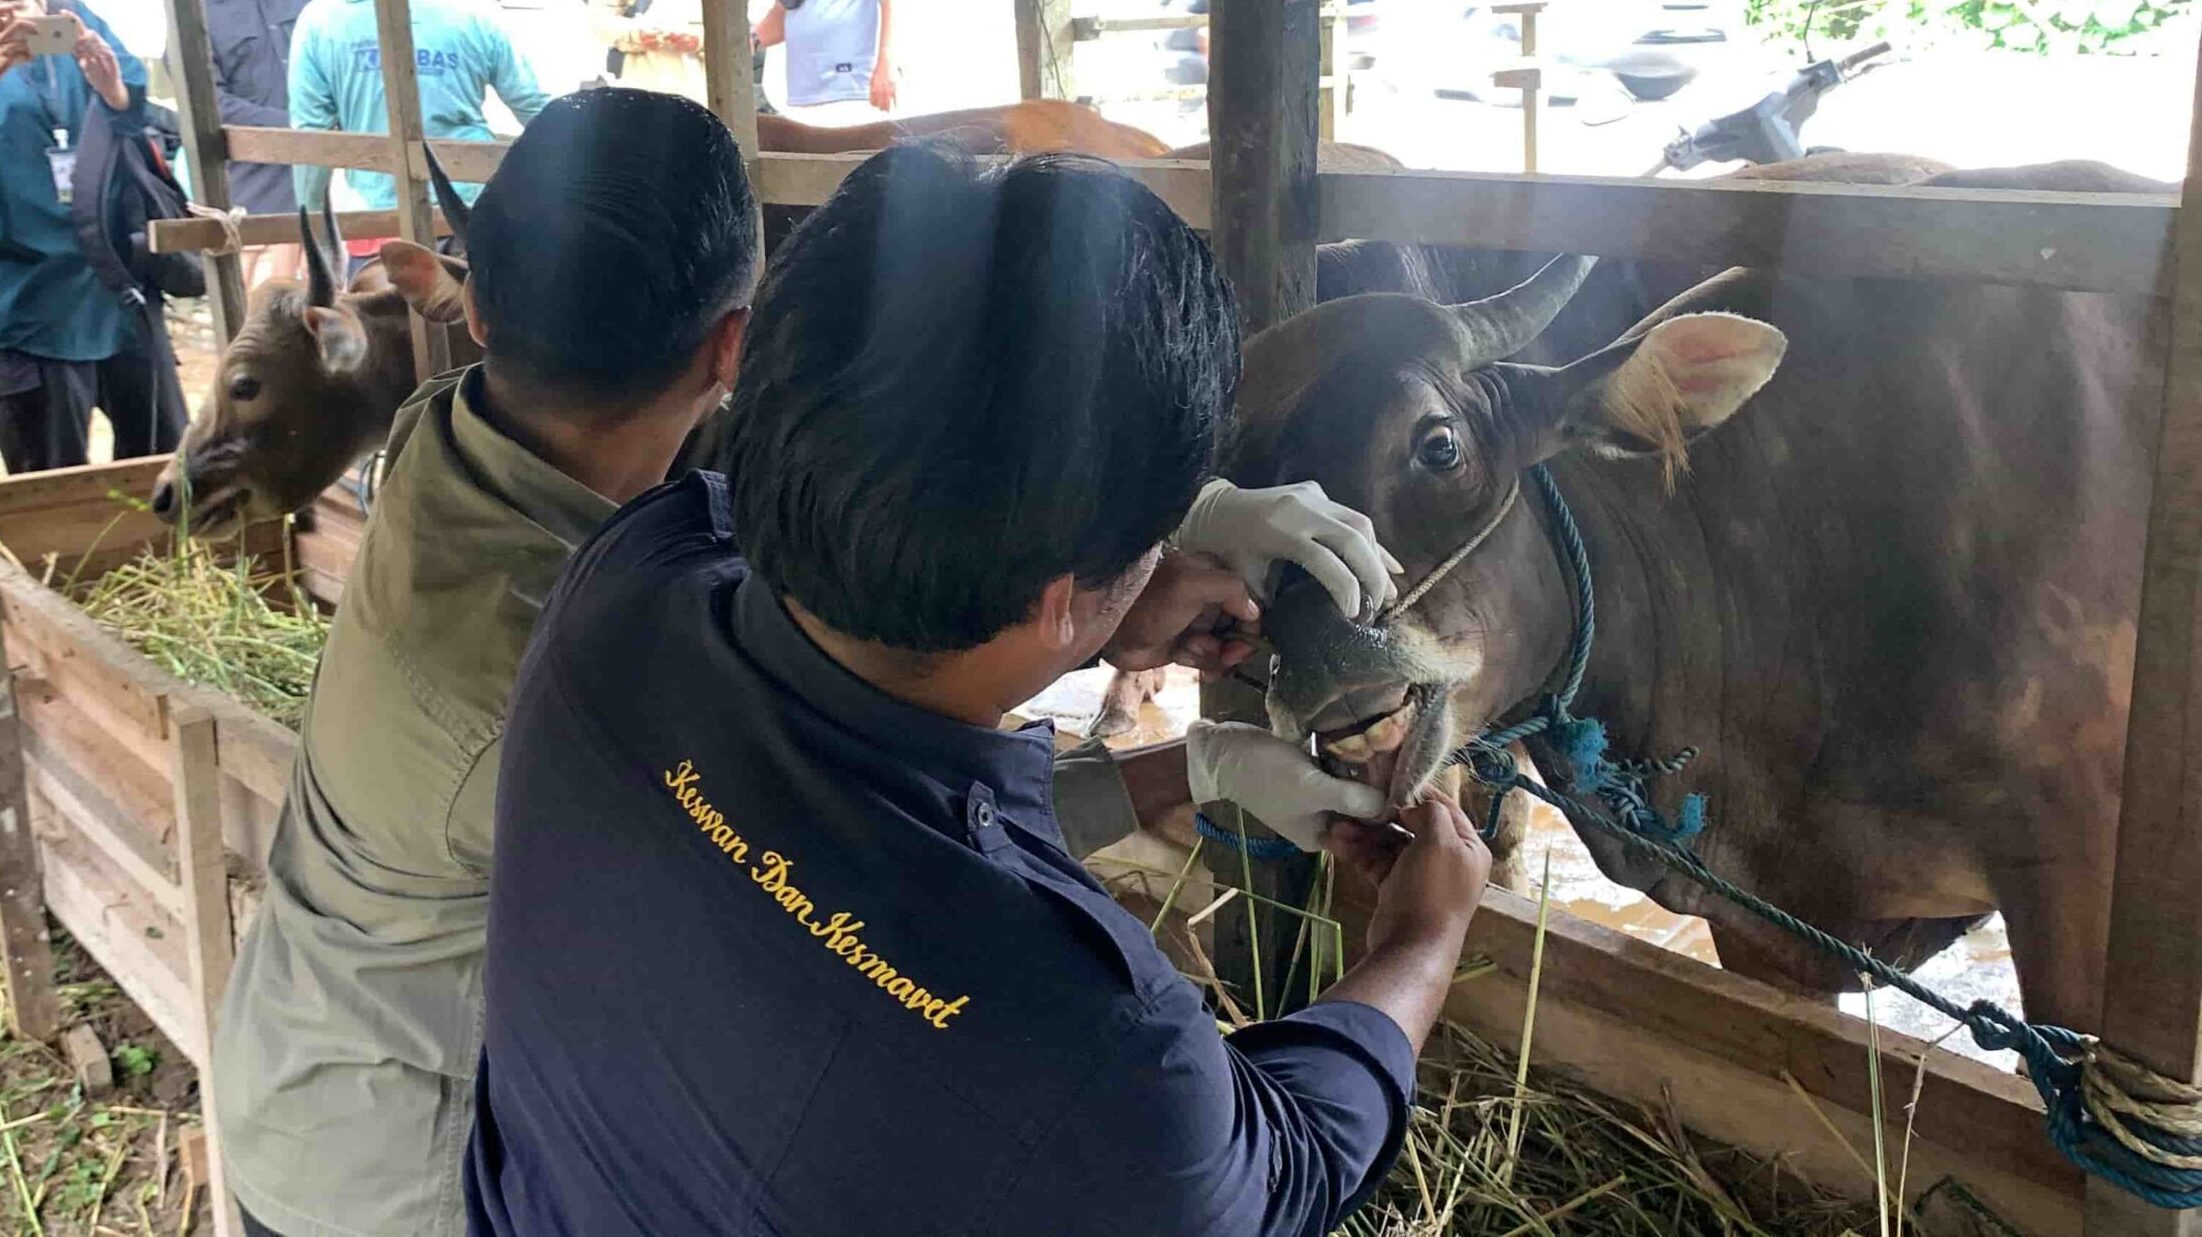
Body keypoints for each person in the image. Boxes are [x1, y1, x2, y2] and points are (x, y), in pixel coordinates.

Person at [466, 146, 1492, 1235]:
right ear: (1061, 594)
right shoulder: (1101, 1051)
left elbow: (851, 841)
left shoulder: (625, 583)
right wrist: (1419, 939)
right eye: (1159, 530)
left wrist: (1172, 743)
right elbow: (1284, 1170)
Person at [209, 89, 757, 1237]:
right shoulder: (558, 688)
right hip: (399, 1182)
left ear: (478, 313)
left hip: (295, 1079)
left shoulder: (437, 436)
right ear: (729, 348)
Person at [0, 0, 183, 472]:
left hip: (116, 282)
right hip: (26, 304)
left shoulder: (73, 17)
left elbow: (132, 110)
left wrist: (111, 87)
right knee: (50, 478)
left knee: (165, 458)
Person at [286, 0, 549, 215]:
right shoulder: (474, 14)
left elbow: (312, 131)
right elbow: (533, 106)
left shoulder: (321, 20)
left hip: (376, 214)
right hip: (469, 206)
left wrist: (313, 226)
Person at [206, 0, 310, 284]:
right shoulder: (197, 20)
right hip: (255, 206)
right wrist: (298, 125)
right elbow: (210, 106)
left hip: (331, 198)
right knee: (263, 314)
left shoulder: (317, 7)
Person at [753, 0, 892, 120]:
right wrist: (751, 41)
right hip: (804, 97)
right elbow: (783, 13)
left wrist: (886, 66)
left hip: (852, 89)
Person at [589, 0, 703, 103]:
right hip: (644, 85)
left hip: (700, 85)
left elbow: (719, 29)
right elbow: (600, 21)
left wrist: (699, 42)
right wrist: (636, 35)